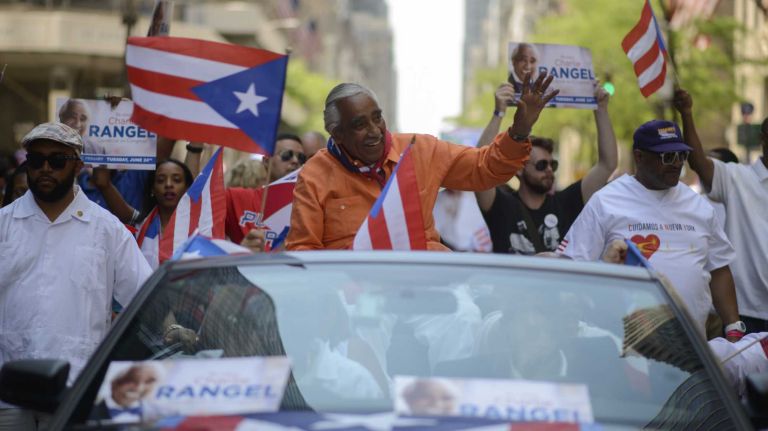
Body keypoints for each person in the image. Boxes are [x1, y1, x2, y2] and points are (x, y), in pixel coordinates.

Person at [286, 75, 558, 250]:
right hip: (355, 301)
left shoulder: (420, 150)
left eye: (377, 117)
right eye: (359, 124)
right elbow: (303, 251)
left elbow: (485, 169)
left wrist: (520, 130)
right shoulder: (313, 175)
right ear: (337, 134)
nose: (375, 130)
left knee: (469, 324)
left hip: (427, 289)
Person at [0, 123, 151, 430]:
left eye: (57, 161)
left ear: (78, 166)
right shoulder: (3, 225)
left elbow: (144, 298)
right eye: (36, 160)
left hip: (76, 391)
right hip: (7, 394)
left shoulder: (107, 230)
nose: (45, 168)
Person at [558, 119, 742, 339]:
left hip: (691, 347)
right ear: (639, 157)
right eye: (667, 156)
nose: (676, 163)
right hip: (623, 344)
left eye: (681, 156)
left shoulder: (699, 205)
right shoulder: (605, 201)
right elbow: (572, 266)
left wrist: (733, 327)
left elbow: (719, 267)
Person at [476, 83, 617, 254]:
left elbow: (607, 164)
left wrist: (601, 109)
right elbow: (480, 166)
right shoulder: (501, 205)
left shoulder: (566, 202)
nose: (549, 170)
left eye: (553, 164)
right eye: (541, 165)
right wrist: (499, 113)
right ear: (519, 169)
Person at [674, 89, 768, 335]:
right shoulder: (738, 177)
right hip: (747, 311)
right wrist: (687, 114)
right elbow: (697, 162)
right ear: (763, 138)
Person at [224, 134, 307, 244]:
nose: (295, 161)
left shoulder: (309, 206)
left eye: (301, 157)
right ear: (266, 161)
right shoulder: (235, 197)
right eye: (286, 155)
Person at [135, 158, 195, 269]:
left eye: (176, 180)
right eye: (161, 180)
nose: (168, 185)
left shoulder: (198, 229)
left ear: (187, 188)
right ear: (152, 189)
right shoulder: (139, 227)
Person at [91, 363, 160, 423]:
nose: (139, 388)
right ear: (114, 383)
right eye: (132, 379)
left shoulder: (157, 414)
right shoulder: (90, 413)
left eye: (149, 381)